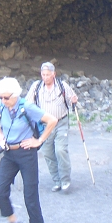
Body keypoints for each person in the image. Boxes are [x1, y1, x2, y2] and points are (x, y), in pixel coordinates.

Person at [0, 77, 57, 223]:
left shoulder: (27, 107)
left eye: (5, 97)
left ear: (15, 95)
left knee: (30, 194)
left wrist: (39, 141)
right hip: (9, 154)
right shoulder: (2, 105)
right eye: (0, 97)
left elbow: (52, 120)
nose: (2, 101)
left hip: (27, 153)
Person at [26, 62, 78, 192]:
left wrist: (74, 100)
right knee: (47, 153)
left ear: (54, 74)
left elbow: (72, 100)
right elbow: (28, 104)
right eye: (43, 75)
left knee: (60, 150)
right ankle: (57, 180)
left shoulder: (62, 86)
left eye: (48, 75)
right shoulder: (36, 87)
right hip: (45, 125)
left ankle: (65, 180)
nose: (45, 77)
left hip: (61, 122)